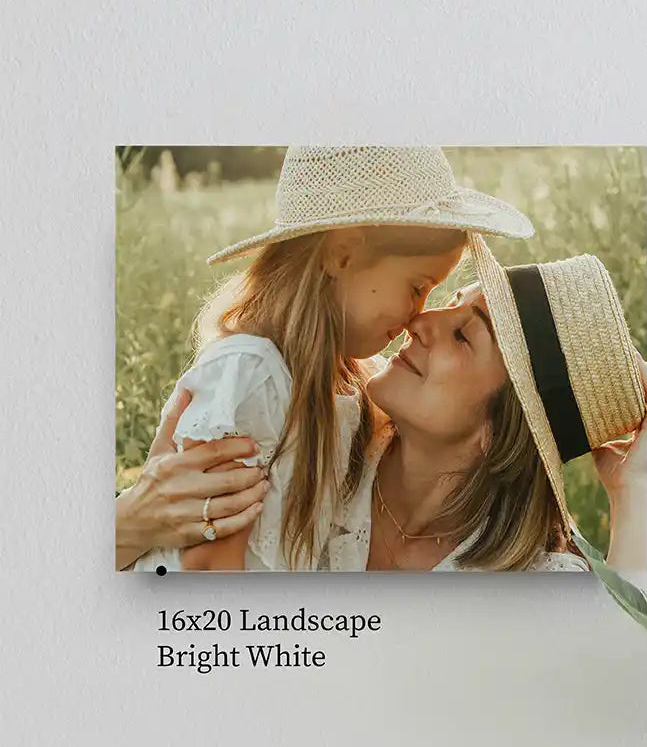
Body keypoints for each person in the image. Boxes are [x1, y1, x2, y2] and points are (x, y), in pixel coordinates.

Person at [121, 145, 533, 572]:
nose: (418, 315)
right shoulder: (254, 377)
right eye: (416, 287)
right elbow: (209, 568)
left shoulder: (348, 387)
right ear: (343, 255)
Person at [322, 236, 647, 572]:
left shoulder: (534, 586)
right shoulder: (314, 438)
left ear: (498, 429)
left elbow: (621, 627)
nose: (418, 323)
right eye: (450, 302)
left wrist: (632, 489)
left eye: (462, 335)